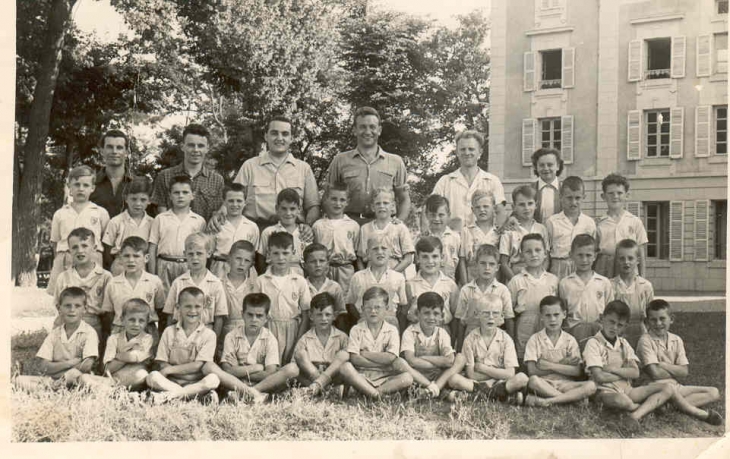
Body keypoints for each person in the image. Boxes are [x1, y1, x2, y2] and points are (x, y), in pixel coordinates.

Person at [582, 300, 674, 432]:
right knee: (622, 401)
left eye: (620, 325)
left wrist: (613, 369)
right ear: (602, 319)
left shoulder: (624, 343)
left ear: (625, 327)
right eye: (611, 322)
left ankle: (634, 415)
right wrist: (624, 372)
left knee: (667, 387)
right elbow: (599, 376)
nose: (614, 328)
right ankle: (644, 407)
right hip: (604, 391)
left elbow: (636, 373)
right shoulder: (594, 343)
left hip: (627, 389)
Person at [636, 300, 723, 426]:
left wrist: (663, 365)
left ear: (671, 319)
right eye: (653, 320)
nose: (658, 323)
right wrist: (674, 370)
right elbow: (654, 374)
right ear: (647, 321)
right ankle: (695, 412)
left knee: (713, 392)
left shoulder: (676, 340)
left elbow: (684, 371)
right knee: (669, 388)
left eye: (662, 318)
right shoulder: (645, 340)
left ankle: (668, 407)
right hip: (656, 388)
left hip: (676, 387)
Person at [202, 293, 298, 404]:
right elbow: (227, 370)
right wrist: (257, 367)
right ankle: (253, 394)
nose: (254, 319)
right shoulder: (231, 336)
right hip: (235, 382)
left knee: (293, 369)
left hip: (262, 382)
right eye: (250, 315)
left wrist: (237, 369)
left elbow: (270, 373)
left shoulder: (270, 339)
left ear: (266, 318)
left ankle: (250, 391)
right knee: (208, 367)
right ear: (242, 314)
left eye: (259, 316)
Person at [325, 107, 411, 226]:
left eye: (372, 127)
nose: (367, 131)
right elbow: (327, 196)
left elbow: (404, 199)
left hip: (384, 225)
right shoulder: (340, 160)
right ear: (355, 130)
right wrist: (335, 225)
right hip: (348, 225)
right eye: (362, 127)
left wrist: (398, 223)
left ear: (379, 130)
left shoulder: (395, 162)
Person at [231, 115, 320, 228]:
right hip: (255, 231)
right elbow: (233, 198)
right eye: (274, 133)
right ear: (266, 136)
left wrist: (307, 227)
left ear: (291, 138)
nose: (279, 138)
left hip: (293, 231)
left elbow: (313, 206)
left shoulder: (304, 169)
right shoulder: (249, 166)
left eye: (285, 134)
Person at [447, 294, 528, 405]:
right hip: (476, 383)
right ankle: (501, 397)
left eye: (495, 313)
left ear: (502, 316)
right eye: (486, 313)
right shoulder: (470, 339)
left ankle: (476, 397)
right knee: (453, 379)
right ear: (477, 314)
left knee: (522, 378)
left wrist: (483, 368)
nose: (491, 317)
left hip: (500, 382)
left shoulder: (506, 339)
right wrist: (497, 373)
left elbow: (510, 373)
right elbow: (471, 374)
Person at [146, 287, 221, 404]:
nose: (193, 311)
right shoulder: (169, 331)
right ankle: (192, 396)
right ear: (177, 307)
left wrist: (170, 370)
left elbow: (198, 365)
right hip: (172, 380)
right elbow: (162, 361)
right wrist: (170, 373)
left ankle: (170, 396)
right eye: (188, 306)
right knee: (152, 377)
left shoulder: (209, 334)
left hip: (195, 380)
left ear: (204, 308)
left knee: (213, 379)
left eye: (197, 306)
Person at [14, 287, 98, 391]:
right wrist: (69, 363)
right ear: (59, 308)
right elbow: (44, 366)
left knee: (75, 374)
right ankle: (56, 387)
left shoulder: (89, 333)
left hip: (77, 379)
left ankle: (53, 388)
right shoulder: (54, 334)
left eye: (77, 306)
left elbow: (86, 366)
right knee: (19, 380)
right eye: (67, 306)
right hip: (52, 378)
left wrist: (58, 370)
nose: (72, 310)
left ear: (84, 309)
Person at [339, 287, 414, 399]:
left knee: (408, 377)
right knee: (345, 367)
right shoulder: (356, 329)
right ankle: (377, 395)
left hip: (385, 377)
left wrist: (365, 354)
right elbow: (355, 358)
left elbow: (390, 357)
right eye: (368, 308)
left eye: (377, 307)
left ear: (387, 309)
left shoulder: (392, 330)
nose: (373, 311)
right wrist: (382, 363)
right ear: (362, 309)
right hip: (362, 375)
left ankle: (370, 392)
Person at [523, 296, 596, 407]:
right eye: (548, 315)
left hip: (567, 384)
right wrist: (564, 364)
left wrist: (549, 365)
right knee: (533, 381)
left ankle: (548, 401)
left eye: (556, 315)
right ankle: (570, 400)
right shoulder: (535, 339)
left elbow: (577, 371)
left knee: (591, 386)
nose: (552, 319)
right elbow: (532, 371)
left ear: (564, 314)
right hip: (545, 383)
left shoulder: (570, 340)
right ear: (541, 317)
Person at [48, 165, 110, 293]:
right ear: (69, 187)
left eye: (86, 185)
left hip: (93, 259)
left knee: (93, 297)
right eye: (76, 185)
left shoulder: (100, 212)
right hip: (66, 258)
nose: (81, 189)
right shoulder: (60, 213)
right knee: (66, 295)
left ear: (92, 188)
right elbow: (55, 242)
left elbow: (105, 241)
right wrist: (63, 259)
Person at [253, 232, 311, 363]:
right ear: (268, 253)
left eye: (285, 253)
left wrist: (298, 339)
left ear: (293, 252)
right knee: (269, 363)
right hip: (268, 327)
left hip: (293, 329)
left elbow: (306, 314)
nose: (281, 258)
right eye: (276, 253)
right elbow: (256, 311)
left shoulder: (300, 281)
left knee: (290, 363)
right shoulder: (261, 281)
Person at [431, 130, 507, 231]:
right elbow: (430, 209)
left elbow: (500, 212)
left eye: (471, 149)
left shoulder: (492, 181)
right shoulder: (445, 181)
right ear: (457, 152)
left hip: (482, 242)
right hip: (452, 241)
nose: (467, 153)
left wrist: (496, 237)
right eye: (462, 149)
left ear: (480, 152)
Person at [50, 228, 113, 346]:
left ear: (94, 248)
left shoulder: (105, 276)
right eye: (74, 247)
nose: (80, 251)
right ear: (69, 251)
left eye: (84, 246)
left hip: (94, 323)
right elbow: (59, 307)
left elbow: (108, 312)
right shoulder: (63, 277)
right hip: (68, 321)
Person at [150, 124, 224, 222]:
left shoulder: (217, 180)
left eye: (201, 146)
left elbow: (216, 212)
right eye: (191, 145)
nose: (196, 150)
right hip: (172, 233)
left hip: (204, 235)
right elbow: (161, 213)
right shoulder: (165, 176)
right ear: (182, 146)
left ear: (207, 148)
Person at [79, 299, 154, 391]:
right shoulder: (114, 338)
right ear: (122, 319)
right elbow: (108, 369)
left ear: (147, 322)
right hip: (113, 379)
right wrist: (127, 355)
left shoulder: (147, 338)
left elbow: (136, 357)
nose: (136, 324)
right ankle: (113, 392)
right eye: (131, 320)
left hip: (133, 378)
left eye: (141, 321)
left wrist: (117, 357)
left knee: (141, 374)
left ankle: (108, 391)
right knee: (84, 378)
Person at [401, 292, 466, 398]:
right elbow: (411, 360)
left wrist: (424, 357)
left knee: (461, 358)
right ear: (417, 313)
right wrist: (440, 362)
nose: (431, 317)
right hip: (417, 376)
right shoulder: (410, 332)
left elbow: (449, 360)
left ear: (442, 316)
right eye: (426, 313)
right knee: (400, 363)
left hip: (438, 376)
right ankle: (436, 390)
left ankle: (432, 390)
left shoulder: (442, 333)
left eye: (436, 314)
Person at [161, 233, 227, 338]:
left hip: (206, 335)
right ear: (185, 254)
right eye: (190, 254)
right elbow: (170, 314)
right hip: (181, 334)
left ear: (209, 253)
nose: (195, 258)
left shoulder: (216, 283)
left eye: (199, 253)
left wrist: (213, 343)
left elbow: (219, 317)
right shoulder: (178, 282)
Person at [148, 175, 206, 292]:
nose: (180, 196)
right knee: (164, 302)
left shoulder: (199, 221)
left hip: (188, 266)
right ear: (170, 195)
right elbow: (152, 249)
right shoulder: (160, 219)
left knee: (187, 298)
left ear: (192, 195)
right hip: (164, 265)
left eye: (185, 192)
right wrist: (152, 275)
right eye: (176, 193)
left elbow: (202, 251)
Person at [101, 236, 164, 338]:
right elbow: (109, 314)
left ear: (146, 258)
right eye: (126, 256)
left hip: (147, 331)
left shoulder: (154, 281)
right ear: (120, 257)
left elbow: (160, 311)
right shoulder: (113, 283)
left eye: (136, 256)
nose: (131, 260)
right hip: (120, 331)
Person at [454, 244, 514, 351]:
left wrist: (510, 348)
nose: (487, 268)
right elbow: (460, 321)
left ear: (497, 267)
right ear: (476, 265)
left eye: (491, 264)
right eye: (483, 263)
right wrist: (459, 350)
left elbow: (509, 319)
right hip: (470, 338)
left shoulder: (502, 290)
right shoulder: (466, 290)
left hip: (494, 339)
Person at [508, 234, 559, 358]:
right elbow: (509, 314)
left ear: (545, 253)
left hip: (547, 325)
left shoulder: (553, 280)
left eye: (537, 250)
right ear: (522, 255)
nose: (533, 255)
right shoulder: (516, 281)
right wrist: (510, 340)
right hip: (524, 326)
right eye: (528, 251)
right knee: (524, 358)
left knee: (545, 357)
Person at [292, 292, 350, 396]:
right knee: (300, 354)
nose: (323, 319)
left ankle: (317, 388)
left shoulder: (342, 337)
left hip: (334, 378)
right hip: (310, 378)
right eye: (319, 314)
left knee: (344, 356)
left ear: (334, 316)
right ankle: (327, 390)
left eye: (327, 314)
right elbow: (296, 365)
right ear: (311, 316)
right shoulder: (305, 339)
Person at [559, 234, 613, 345]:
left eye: (588, 255)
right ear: (571, 255)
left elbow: (610, 311)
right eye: (580, 255)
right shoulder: (565, 283)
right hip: (574, 332)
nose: (584, 260)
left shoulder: (604, 282)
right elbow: (562, 314)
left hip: (599, 331)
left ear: (595, 256)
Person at [345, 235, 407, 331]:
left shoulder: (398, 277)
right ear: (368, 253)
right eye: (375, 249)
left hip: (390, 325)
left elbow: (403, 306)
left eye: (384, 248)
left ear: (390, 252)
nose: (380, 252)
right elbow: (350, 304)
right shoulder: (358, 277)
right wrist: (362, 318)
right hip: (364, 324)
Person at [596, 173, 648, 278]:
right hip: (604, 268)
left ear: (627, 195)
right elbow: (593, 253)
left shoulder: (635, 222)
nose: (615, 196)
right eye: (611, 193)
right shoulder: (598, 223)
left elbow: (641, 255)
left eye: (619, 193)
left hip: (628, 267)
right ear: (603, 196)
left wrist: (642, 280)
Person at [313, 182, 361, 295]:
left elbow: (358, 254)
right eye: (334, 199)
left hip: (346, 270)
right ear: (326, 199)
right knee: (324, 299)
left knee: (345, 300)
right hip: (324, 270)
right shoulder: (318, 225)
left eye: (342, 200)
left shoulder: (353, 225)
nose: (338, 203)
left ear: (347, 202)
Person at [405, 237, 459, 336]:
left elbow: (456, 318)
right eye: (425, 256)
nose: (430, 261)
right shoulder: (410, 285)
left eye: (434, 256)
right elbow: (404, 315)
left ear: (442, 257)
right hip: (416, 333)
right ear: (417, 258)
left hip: (443, 332)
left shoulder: (450, 285)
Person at [545, 176, 597, 280]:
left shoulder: (589, 223)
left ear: (584, 197)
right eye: (569, 198)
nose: (573, 202)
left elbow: (593, 251)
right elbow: (546, 252)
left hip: (582, 267)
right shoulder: (552, 222)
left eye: (577, 198)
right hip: (559, 267)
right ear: (561, 197)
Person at [102, 177, 154, 274]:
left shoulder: (153, 223)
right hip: (120, 265)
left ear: (149, 200)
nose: (138, 203)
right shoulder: (116, 221)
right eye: (133, 199)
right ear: (126, 199)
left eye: (143, 200)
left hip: (143, 266)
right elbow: (107, 249)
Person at [208, 183, 260, 280]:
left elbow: (253, 252)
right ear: (224, 202)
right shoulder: (216, 225)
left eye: (239, 201)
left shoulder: (252, 227)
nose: (235, 204)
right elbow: (209, 252)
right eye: (231, 201)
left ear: (245, 202)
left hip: (244, 269)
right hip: (220, 268)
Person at [357, 187, 414, 274]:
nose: (382, 206)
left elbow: (408, 258)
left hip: (395, 273)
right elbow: (360, 258)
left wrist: (391, 275)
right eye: (378, 203)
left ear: (393, 206)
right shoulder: (365, 229)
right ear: (372, 207)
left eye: (386, 203)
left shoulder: (400, 227)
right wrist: (364, 276)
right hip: (372, 274)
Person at [499, 185, 548, 283]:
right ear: (514, 207)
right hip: (515, 275)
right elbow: (503, 263)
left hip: (538, 275)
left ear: (536, 205)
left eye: (530, 203)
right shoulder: (509, 231)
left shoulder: (541, 229)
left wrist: (540, 276)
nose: (526, 208)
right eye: (521, 204)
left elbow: (546, 258)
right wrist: (515, 281)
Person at [257, 188, 312, 276]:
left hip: (299, 275)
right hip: (273, 274)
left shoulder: (304, 232)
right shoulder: (269, 232)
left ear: (299, 209)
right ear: (277, 209)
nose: (288, 213)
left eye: (292, 209)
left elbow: (310, 258)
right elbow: (261, 258)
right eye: (284, 208)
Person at [611, 239, 654, 348]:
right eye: (622, 258)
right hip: (617, 334)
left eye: (630, 258)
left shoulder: (645, 286)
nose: (626, 262)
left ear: (638, 260)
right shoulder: (610, 285)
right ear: (617, 260)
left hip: (640, 334)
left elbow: (651, 317)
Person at [90, 129, 135, 219]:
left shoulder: (137, 184)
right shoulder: (90, 184)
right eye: (110, 147)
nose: (114, 151)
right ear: (102, 151)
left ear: (126, 152)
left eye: (119, 147)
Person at [303, 243, 347, 332]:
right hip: (306, 334)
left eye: (322, 261)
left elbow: (341, 315)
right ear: (305, 265)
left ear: (327, 264)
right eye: (312, 261)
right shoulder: (301, 286)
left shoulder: (334, 287)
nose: (317, 264)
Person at [460, 190, 500, 283]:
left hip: (494, 283)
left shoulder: (499, 232)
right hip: (471, 281)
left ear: (494, 208)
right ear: (473, 210)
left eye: (486, 206)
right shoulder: (466, 231)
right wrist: (465, 284)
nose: (482, 210)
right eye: (478, 207)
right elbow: (462, 261)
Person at [221, 240, 258, 340]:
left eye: (246, 261)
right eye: (238, 258)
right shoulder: (219, 284)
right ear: (229, 258)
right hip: (223, 333)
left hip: (247, 334)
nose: (242, 263)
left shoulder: (254, 286)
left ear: (251, 264)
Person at [421, 195, 462, 282]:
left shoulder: (456, 238)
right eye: (432, 215)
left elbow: (459, 268)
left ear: (448, 215)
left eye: (441, 215)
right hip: (427, 285)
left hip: (450, 285)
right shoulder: (422, 239)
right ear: (427, 215)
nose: (436, 219)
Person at [530, 148, 564, 223]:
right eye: (541, 165)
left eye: (550, 165)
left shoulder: (565, 189)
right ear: (536, 167)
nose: (546, 168)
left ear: (558, 166)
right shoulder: (529, 190)